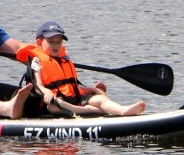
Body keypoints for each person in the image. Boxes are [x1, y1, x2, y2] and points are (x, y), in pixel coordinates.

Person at [16, 21, 146, 116]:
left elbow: (72, 87)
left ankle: (121, 110)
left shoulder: (64, 59)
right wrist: (47, 92)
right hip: (53, 102)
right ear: (39, 43)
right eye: (51, 42)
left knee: (100, 99)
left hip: (73, 99)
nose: (55, 45)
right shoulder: (36, 60)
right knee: (56, 104)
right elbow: (37, 85)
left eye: (58, 42)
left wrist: (93, 89)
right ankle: (94, 111)